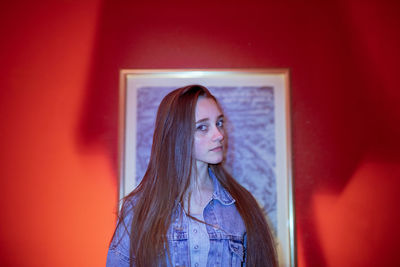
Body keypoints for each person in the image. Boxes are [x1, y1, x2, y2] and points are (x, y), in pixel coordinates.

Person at [106, 85, 277, 267]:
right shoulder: (140, 207)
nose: (219, 135)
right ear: (175, 134)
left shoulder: (242, 205)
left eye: (219, 123)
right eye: (202, 127)